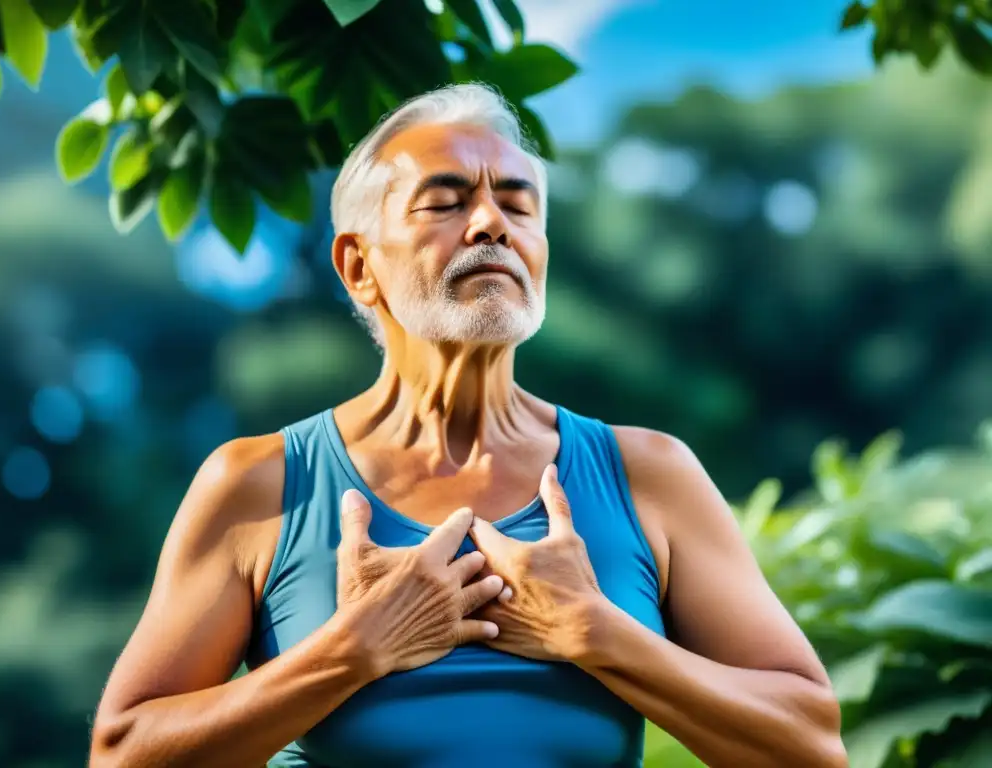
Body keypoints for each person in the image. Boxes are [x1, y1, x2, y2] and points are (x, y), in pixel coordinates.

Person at [88, 83, 847, 768]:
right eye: (445, 202)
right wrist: (353, 649)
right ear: (359, 267)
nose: (491, 223)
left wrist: (598, 634)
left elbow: (811, 746)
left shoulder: (651, 474)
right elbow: (122, 755)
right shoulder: (258, 486)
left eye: (519, 205)